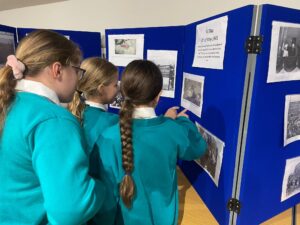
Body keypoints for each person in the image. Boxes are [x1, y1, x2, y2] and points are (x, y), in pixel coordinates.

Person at [0, 30, 105, 225]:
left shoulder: (8, 104)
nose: (78, 79)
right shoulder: (54, 121)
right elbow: (70, 211)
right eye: (76, 71)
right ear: (57, 70)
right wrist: (101, 187)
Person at [95, 60, 207, 225]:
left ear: (123, 91)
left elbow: (107, 198)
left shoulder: (108, 137)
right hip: (165, 219)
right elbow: (198, 148)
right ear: (158, 96)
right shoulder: (172, 129)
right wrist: (183, 122)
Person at [68, 57, 119, 154]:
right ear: (101, 89)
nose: (118, 88)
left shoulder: (71, 112)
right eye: (115, 85)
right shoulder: (112, 121)